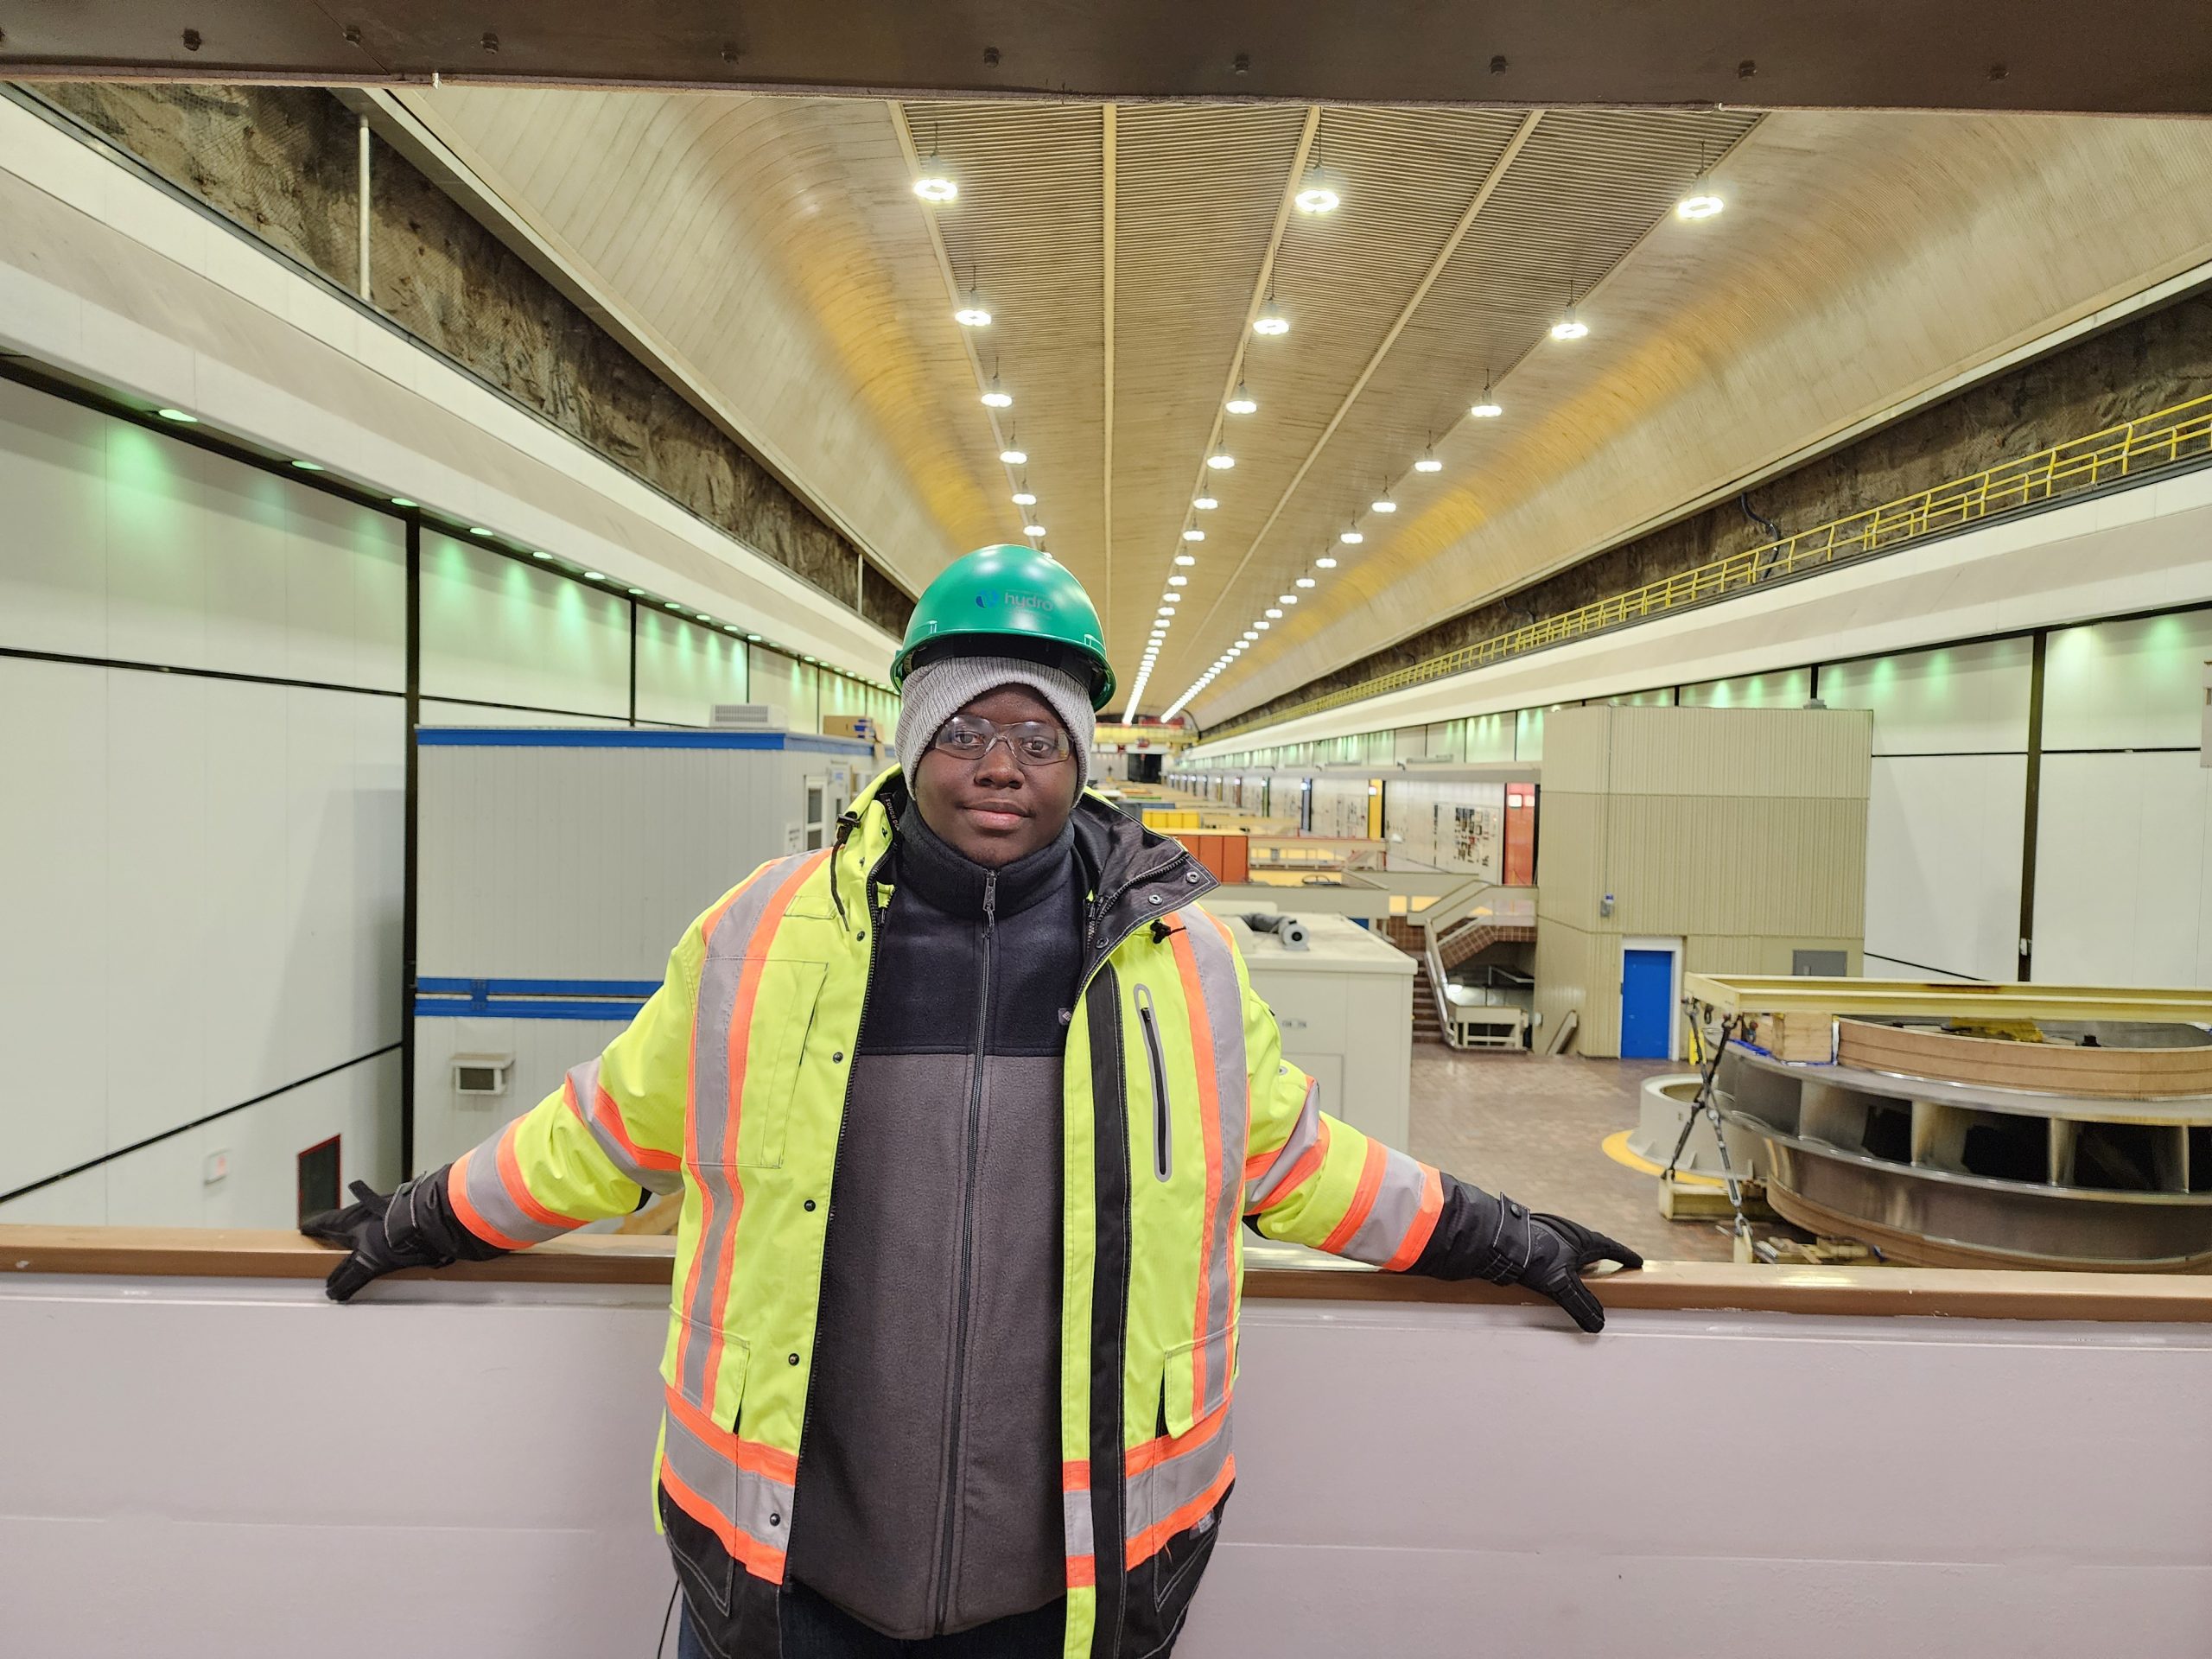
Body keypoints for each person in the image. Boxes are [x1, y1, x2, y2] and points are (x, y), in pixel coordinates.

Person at [304, 544, 1641, 1659]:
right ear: (911, 738)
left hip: (1076, 1585)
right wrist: (426, 1214)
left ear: (1082, 758)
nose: (1001, 765)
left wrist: (1498, 1236)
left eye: (1037, 736)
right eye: (967, 729)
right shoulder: (757, 944)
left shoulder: (1184, 972)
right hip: (786, 1574)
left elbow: (1295, 1161)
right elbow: (600, 1135)